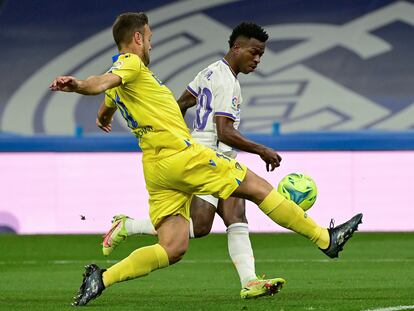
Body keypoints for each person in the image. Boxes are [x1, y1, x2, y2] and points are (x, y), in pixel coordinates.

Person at [49, 12, 363, 307]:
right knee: (256, 188)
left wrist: (104, 115)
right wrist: (77, 85)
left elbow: (109, 101)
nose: (151, 42)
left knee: (174, 246)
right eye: (149, 36)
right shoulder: (130, 64)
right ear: (137, 38)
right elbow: (99, 84)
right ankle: (325, 239)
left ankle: (101, 278)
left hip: (156, 167)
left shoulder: (130, 79)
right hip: (183, 156)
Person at [100, 22, 290, 299]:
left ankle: (249, 281)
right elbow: (224, 129)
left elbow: (181, 103)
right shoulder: (224, 79)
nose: (258, 59)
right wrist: (261, 150)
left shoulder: (209, 71)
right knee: (200, 226)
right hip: (206, 156)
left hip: (214, 153)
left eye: (261, 54)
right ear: (237, 47)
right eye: (254, 52)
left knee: (234, 216)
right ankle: (128, 226)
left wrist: (169, 129)